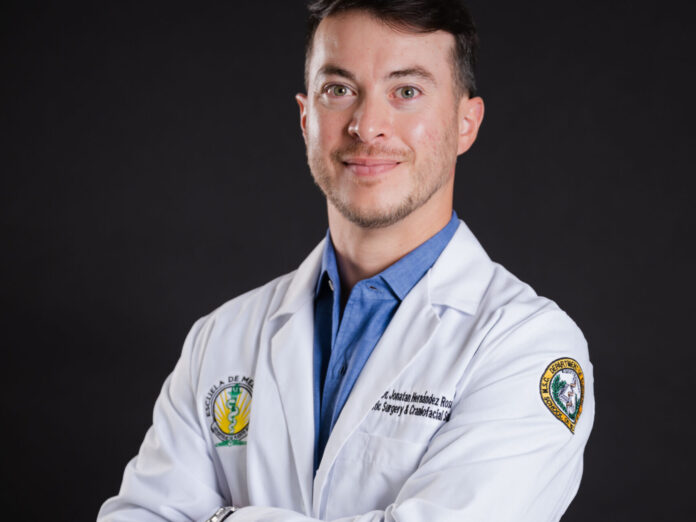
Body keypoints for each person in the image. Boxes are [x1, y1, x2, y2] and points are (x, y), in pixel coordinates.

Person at [99, 1, 594, 520]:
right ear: (305, 117)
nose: (367, 125)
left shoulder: (529, 348)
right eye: (339, 90)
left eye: (406, 91)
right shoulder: (221, 337)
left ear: (465, 123)